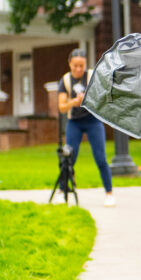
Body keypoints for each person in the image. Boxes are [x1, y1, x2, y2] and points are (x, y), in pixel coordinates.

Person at [57, 48, 116, 207]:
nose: (78, 69)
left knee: (100, 157)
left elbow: (103, 97)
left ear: (85, 65)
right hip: (74, 122)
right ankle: (62, 191)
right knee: (69, 158)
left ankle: (109, 194)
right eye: (75, 65)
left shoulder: (91, 76)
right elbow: (62, 107)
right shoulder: (65, 81)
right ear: (70, 64)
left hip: (93, 121)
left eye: (81, 66)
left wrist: (88, 99)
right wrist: (73, 102)